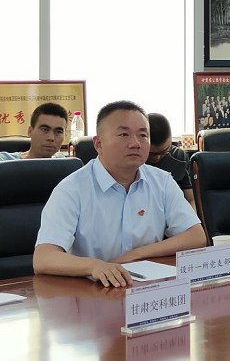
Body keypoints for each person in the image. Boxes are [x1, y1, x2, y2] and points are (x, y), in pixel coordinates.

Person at [33, 100, 206, 288]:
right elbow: (43, 258)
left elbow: (196, 236)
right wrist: (95, 266)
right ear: (98, 144)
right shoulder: (71, 189)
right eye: (124, 135)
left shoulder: (162, 181)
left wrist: (136, 254)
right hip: (93, 292)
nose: (135, 143)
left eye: (143, 135)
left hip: (146, 290)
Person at [146, 113, 195, 210]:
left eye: (164, 152)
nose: (157, 158)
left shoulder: (179, 158)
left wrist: (192, 217)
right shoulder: (133, 161)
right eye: (151, 154)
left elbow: (190, 199)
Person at [0, 103, 68, 161]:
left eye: (58, 131)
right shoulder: (4, 161)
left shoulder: (63, 162)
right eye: (45, 129)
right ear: (30, 131)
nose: (51, 138)